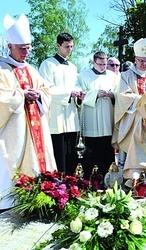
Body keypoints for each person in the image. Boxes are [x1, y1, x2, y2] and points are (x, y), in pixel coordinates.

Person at [0, 13, 57, 210]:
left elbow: (45, 90)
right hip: (14, 131)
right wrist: (22, 95)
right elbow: (2, 97)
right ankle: (10, 202)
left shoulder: (32, 70)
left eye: (28, 48)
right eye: (21, 48)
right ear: (10, 47)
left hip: (35, 128)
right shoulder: (2, 69)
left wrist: (39, 95)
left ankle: (41, 197)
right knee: (10, 164)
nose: (26, 52)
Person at [113, 37, 146, 169]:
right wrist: (142, 101)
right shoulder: (125, 76)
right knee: (133, 144)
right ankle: (130, 171)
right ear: (135, 60)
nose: (144, 64)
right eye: (141, 61)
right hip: (133, 118)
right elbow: (123, 96)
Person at [39, 32, 85, 174]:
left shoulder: (73, 67)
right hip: (56, 116)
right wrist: (68, 93)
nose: (70, 50)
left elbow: (76, 85)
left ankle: (70, 183)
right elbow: (46, 89)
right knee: (58, 152)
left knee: (71, 153)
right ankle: (57, 184)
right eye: (66, 47)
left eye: (71, 46)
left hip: (70, 115)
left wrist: (79, 94)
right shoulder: (48, 65)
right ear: (58, 46)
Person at [77, 51, 119, 179]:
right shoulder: (84, 76)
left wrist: (112, 95)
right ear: (93, 62)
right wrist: (95, 94)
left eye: (105, 64)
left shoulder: (113, 76)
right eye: (100, 64)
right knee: (91, 152)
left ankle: (108, 179)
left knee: (107, 151)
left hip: (107, 120)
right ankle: (89, 180)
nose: (102, 67)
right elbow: (80, 95)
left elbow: (119, 93)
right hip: (92, 122)